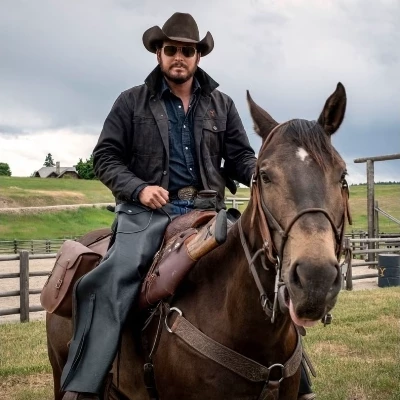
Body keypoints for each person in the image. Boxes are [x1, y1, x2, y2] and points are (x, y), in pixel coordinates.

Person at [61, 12, 314, 400]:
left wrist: (267, 173)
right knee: (115, 277)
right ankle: (85, 385)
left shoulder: (221, 104)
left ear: (198, 56)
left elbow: (241, 157)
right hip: (147, 214)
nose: (179, 57)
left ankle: (297, 376)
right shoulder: (131, 102)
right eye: (171, 50)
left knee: (266, 264)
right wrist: (139, 189)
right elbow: (105, 157)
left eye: (187, 51)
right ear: (159, 53)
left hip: (211, 211)